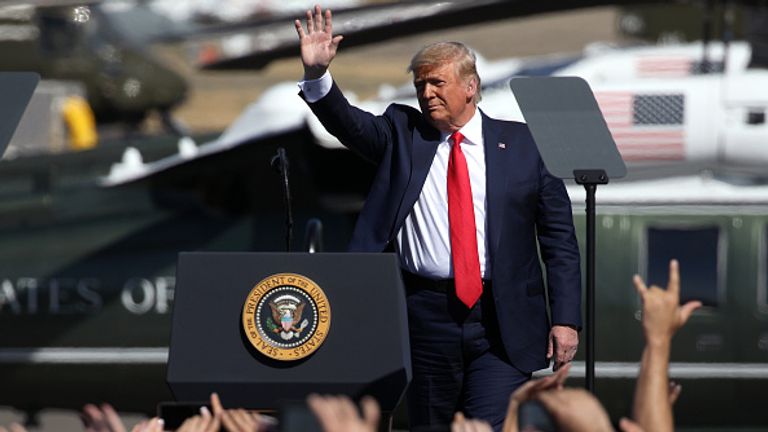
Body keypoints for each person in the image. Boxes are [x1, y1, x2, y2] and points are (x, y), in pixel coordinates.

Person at [294, 6, 582, 430]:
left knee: (488, 426)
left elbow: (559, 241)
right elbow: (348, 125)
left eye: (437, 82)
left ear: (470, 86)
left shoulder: (523, 146)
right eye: (420, 84)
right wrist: (318, 75)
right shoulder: (402, 135)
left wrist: (565, 319)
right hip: (425, 317)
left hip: (501, 321)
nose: (427, 92)